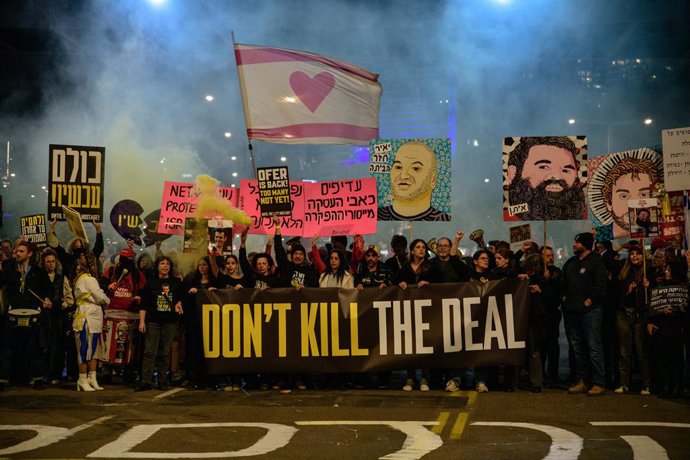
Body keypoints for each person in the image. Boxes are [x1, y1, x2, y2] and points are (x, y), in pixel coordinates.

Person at [0, 241, 53, 390]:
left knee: (35, 347)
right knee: (7, 348)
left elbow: (48, 290)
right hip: (13, 312)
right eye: (17, 251)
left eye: (21, 251)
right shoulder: (10, 270)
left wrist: (48, 299)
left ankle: (37, 378)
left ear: (29, 254)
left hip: (33, 313)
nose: (17, 253)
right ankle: (4, 378)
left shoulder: (38, 272)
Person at [562, 232, 608, 396]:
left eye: (577, 242)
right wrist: (565, 299)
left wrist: (588, 301)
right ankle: (582, 380)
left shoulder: (596, 262)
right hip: (572, 312)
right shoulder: (571, 262)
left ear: (586, 244)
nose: (574, 244)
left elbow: (601, 286)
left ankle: (598, 382)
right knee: (578, 348)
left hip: (590, 312)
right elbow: (563, 283)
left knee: (593, 347)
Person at [505, 136, 585, 220]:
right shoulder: (502, 219)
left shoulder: (587, 216)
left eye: (566, 170)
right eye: (543, 167)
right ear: (513, 174)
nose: (557, 177)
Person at [397, 239, 442, 391]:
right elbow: (397, 281)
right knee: (410, 343)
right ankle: (410, 378)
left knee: (425, 343)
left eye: (423, 247)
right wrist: (401, 283)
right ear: (412, 251)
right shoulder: (405, 267)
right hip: (409, 310)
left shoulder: (432, 266)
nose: (421, 250)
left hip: (427, 310)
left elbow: (441, 283)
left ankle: (424, 378)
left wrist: (429, 283)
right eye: (418, 247)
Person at [136, 255, 184, 391]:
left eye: (167, 264)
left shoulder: (176, 283)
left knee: (165, 352)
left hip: (170, 322)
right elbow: (144, 303)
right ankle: (146, 380)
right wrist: (141, 322)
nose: (165, 266)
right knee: (149, 351)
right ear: (157, 266)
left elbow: (180, 298)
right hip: (153, 321)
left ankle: (162, 380)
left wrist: (179, 303)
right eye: (162, 263)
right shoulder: (151, 282)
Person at [613, 245, 652, 395]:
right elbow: (616, 291)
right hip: (624, 313)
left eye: (638, 254)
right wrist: (626, 291)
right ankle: (623, 383)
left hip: (640, 315)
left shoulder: (648, 270)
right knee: (624, 351)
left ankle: (646, 384)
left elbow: (655, 293)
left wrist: (649, 286)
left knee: (641, 350)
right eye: (632, 254)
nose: (634, 257)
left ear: (643, 255)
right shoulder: (624, 270)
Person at [378, 141, 450, 221]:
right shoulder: (375, 217)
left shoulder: (444, 220)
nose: (403, 176)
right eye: (398, 167)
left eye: (416, 168)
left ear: (432, 179)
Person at [648, 260, 688, 398]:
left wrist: (675, 310)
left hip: (677, 328)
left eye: (669, 269)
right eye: (666, 269)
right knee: (664, 359)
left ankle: (677, 387)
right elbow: (655, 303)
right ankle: (666, 386)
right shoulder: (660, 285)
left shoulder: (682, 287)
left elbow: (685, 307)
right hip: (663, 327)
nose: (666, 271)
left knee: (676, 359)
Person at [72, 248, 110, 391]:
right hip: (86, 317)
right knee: (85, 349)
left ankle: (91, 377)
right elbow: (100, 296)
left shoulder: (84, 278)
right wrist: (107, 298)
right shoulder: (89, 279)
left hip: (93, 318)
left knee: (93, 350)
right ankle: (82, 378)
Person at [600, 157, 659, 238]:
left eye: (644, 195)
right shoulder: (599, 235)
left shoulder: (661, 230)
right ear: (609, 202)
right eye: (624, 196)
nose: (633, 204)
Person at [41, 249, 74, 385]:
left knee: (58, 346)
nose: (50, 264)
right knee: (45, 345)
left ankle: (56, 374)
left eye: (53, 261)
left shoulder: (62, 278)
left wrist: (65, 304)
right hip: (45, 316)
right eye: (48, 262)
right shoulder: (40, 278)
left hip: (59, 316)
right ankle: (45, 374)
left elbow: (69, 298)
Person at [183, 257, 216, 389]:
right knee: (193, 350)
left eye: (204, 265)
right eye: (200, 265)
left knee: (207, 350)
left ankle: (208, 378)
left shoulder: (214, 281)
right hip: (194, 321)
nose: (202, 267)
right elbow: (185, 298)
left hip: (210, 321)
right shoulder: (192, 282)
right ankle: (193, 377)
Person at [539, 245, 563, 387]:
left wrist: (548, 280)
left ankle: (553, 375)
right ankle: (540, 374)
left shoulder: (556, 272)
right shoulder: (537, 272)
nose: (550, 258)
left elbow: (557, 293)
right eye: (546, 255)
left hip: (552, 313)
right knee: (540, 346)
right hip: (540, 313)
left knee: (553, 345)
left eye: (551, 255)